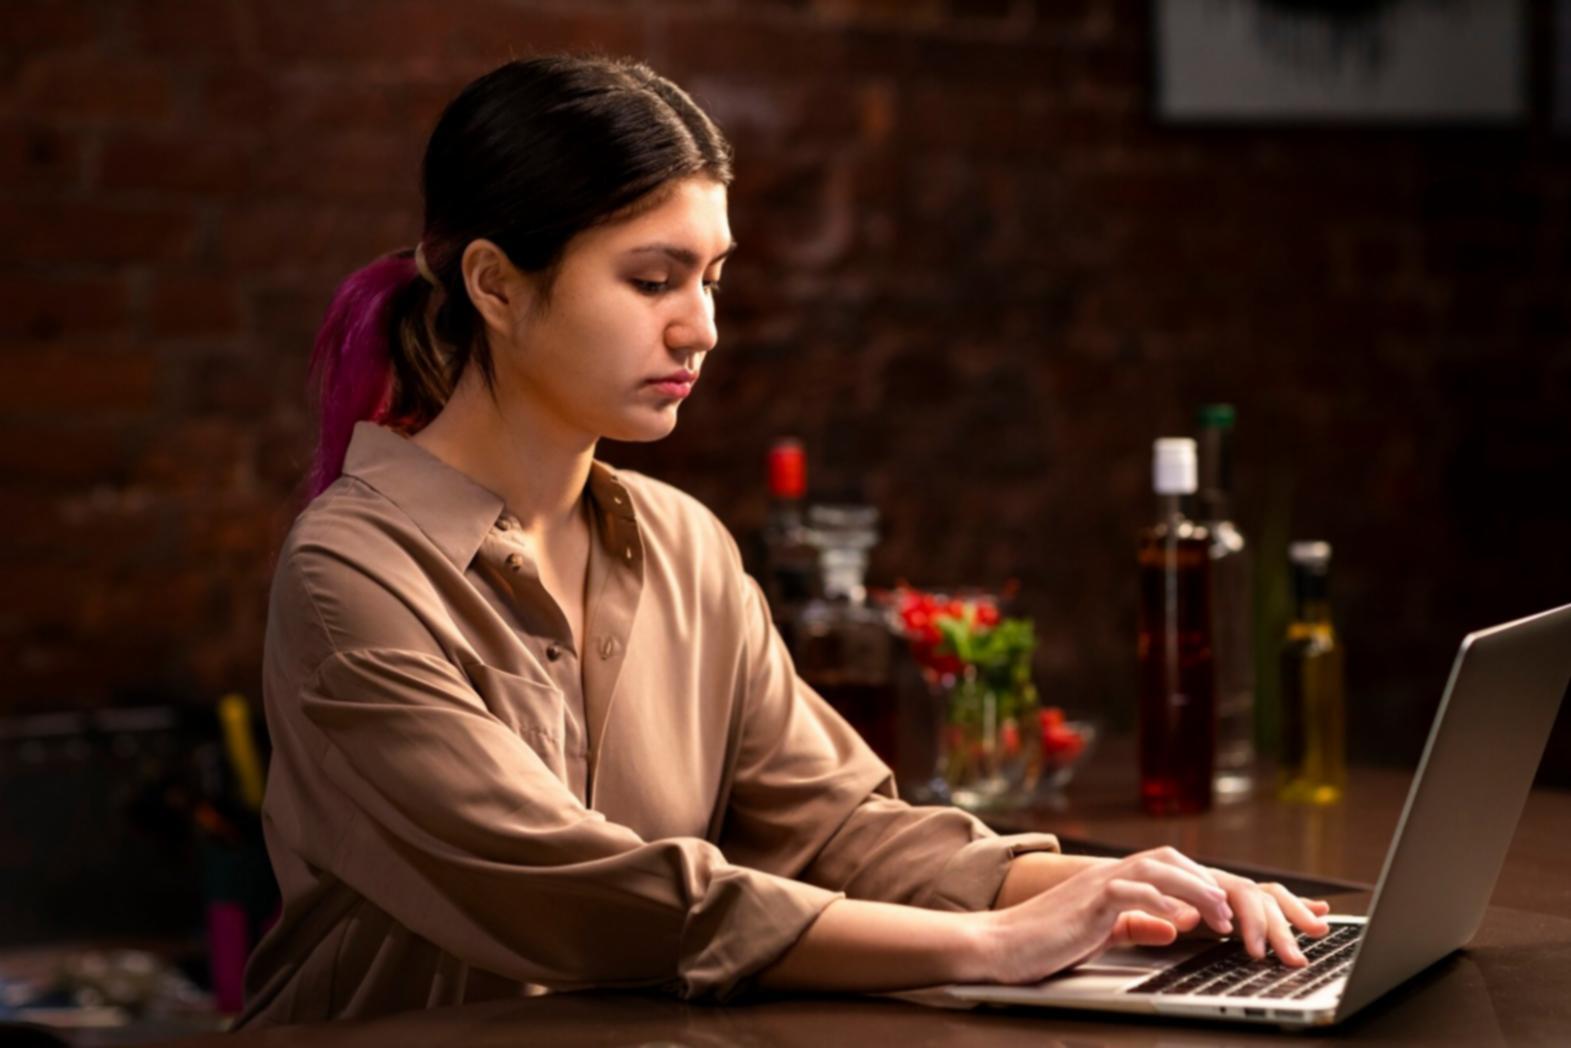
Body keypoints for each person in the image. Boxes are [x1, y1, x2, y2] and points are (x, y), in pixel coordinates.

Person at [236, 54, 1330, 1028]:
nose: (701, 326)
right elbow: (570, 893)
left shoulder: (681, 546)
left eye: (711, 278)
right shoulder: (353, 574)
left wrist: (1123, 888)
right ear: (494, 284)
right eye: (651, 279)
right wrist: (986, 945)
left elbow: (846, 829)